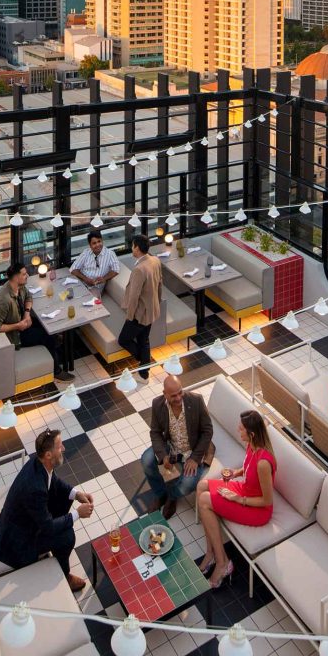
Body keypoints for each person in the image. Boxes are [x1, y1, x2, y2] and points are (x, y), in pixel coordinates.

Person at [0, 429, 94, 591]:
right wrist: (77, 514)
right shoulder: (34, 488)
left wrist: (76, 494)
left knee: (62, 497)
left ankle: (53, 544)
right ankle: (65, 575)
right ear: (48, 454)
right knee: (67, 536)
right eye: (59, 446)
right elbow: (47, 527)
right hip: (17, 545)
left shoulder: (37, 463)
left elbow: (53, 481)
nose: (64, 448)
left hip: (21, 524)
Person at [196, 410, 276, 588]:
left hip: (256, 508)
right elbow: (248, 468)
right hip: (245, 490)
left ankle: (223, 563)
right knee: (201, 486)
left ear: (252, 433)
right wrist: (236, 473)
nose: (238, 431)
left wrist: (237, 499)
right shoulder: (252, 444)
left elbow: (267, 501)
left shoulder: (264, 463)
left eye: (241, 429)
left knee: (204, 500)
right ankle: (210, 553)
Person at [142, 374, 215, 519]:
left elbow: (208, 431)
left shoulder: (196, 401)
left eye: (180, 392)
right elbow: (155, 432)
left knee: (187, 485)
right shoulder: (157, 404)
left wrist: (195, 458)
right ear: (165, 394)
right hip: (170, 446)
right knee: (146, 460)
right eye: (173, 395)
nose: (178, 398)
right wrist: (163, 456)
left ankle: (172, 497)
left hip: (192, 450)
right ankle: (160, 494)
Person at [0, 262, 74, 382]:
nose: (27, 275)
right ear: (16, 277)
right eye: (24, 274)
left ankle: (55, 348)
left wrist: (27, 314)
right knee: (46, 336)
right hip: (16, 335)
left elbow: (29, 297)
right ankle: (56, 371)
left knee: (47, 324)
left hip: (22, 321)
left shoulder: (19, 286)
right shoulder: (4, 300)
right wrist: (18, 325)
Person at [119, 234, 162, 379]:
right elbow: (160, 284)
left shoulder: (139, 269)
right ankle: (144, 371)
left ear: (137, 248)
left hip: (140, 314)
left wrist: (130, 317)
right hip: (152, 310)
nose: (132, 248)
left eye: (132, 246)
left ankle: (144, 361)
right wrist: (158, 301)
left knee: (123, 340)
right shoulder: (155, 260)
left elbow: (134, 296)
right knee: (144, 340)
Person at [69, 230, 120, 296]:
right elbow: (73, 269)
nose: (97, 245)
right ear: (90, 245)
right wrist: (86, 279)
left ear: (102, 241)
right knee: (68, 295)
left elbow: (116, 270)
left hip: (96, 288)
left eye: (99, 241)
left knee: (91, 300)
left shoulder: (110, 254)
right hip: (82, 283)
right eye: (94, 243)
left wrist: (104, 278)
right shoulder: (85, 253)